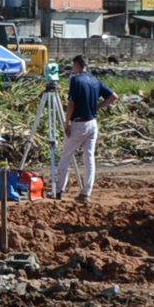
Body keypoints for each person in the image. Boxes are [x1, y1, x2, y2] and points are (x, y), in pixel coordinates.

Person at [55, 56, 113, 200]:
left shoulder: (75, 80)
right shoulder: (95, 80)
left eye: (73, 65)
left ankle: (59, 190)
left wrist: (67, 122)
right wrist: (97, 108)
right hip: (92, 123)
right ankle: (86, 192)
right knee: (89, 158)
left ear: (77, 64)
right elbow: (113, 96)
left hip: (79, 123)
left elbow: (71, 103)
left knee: (66, 156)